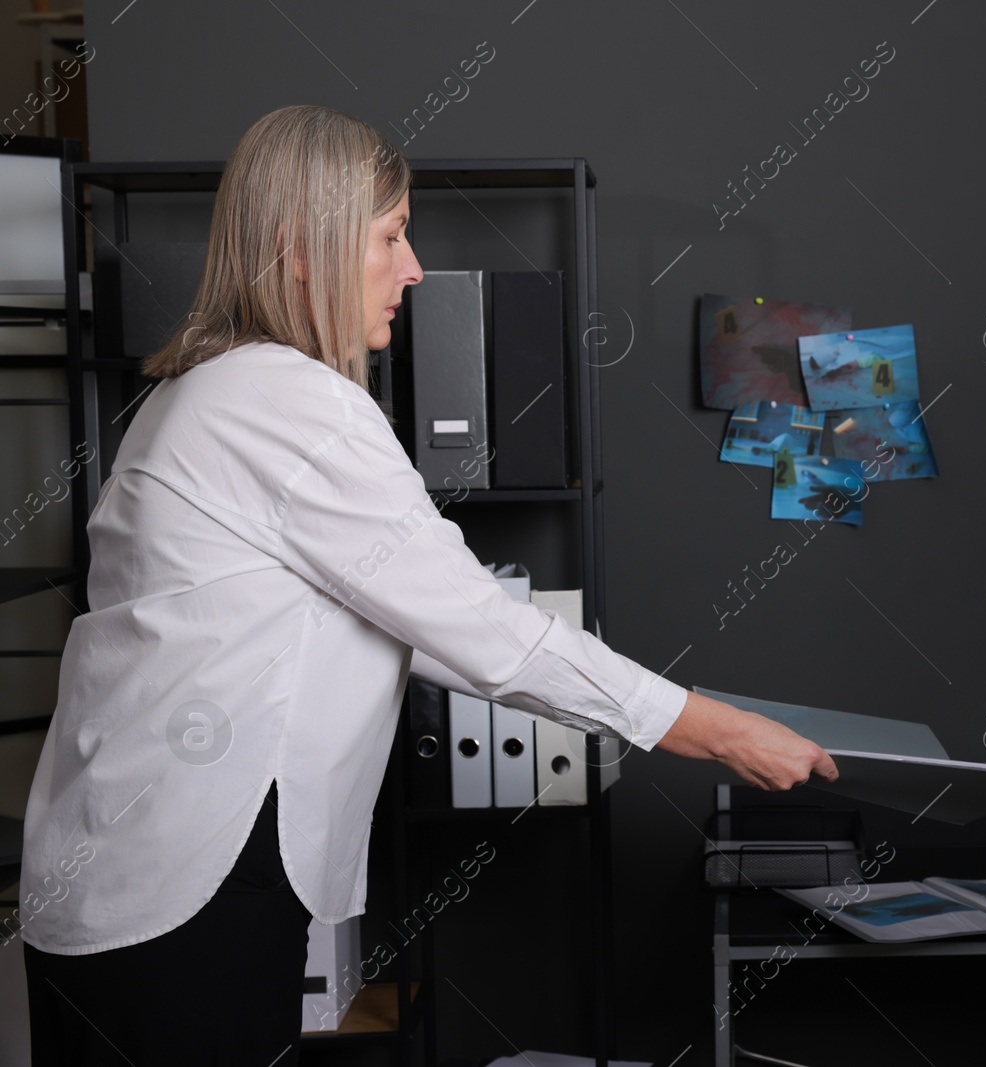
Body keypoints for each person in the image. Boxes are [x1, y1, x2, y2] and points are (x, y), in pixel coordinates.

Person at [15, 105, 837, 1065]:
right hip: (183, 893)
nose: (412, 268)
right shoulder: (293, 401)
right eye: (392, 235)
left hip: (104, 885)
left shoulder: (190, 393)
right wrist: (718, 727)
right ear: (302, 248)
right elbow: (486, 633)